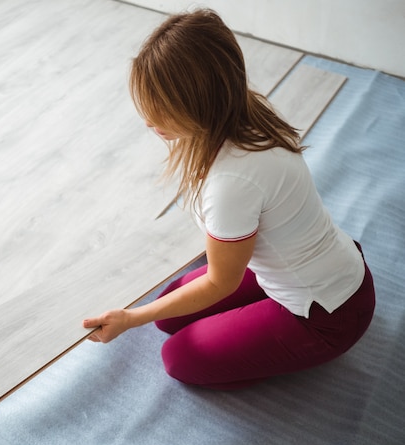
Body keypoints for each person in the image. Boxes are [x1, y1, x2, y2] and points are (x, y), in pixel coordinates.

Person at [82, 9, 375, 390]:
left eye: (163, 107)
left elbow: (220, 282)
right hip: (329, 267)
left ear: (201, 101)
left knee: (179, 357)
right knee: (168, 311)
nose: (149, 120)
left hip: (326, 315)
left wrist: (129, 318)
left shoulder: (231, 181)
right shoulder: (248, 109)